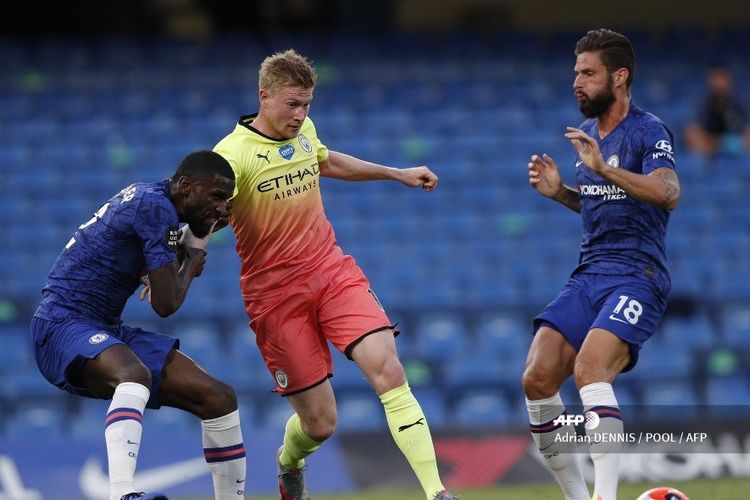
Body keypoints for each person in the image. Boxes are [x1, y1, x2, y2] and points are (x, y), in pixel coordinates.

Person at [213, 50, 457, 500]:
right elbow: (204, 215)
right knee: (321, 423)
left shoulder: (303, 130)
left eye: (307, 105)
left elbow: (323, 160)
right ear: (264, 97)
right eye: (292, 104)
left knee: (388, 368)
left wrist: (395, 172)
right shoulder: (231, 157)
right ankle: (289, 463)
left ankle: (436, 492)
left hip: (330, 272)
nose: (301, 115)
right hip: (275, 297)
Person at [31, 151, 246, 500]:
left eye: (227, 201)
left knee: (219, 398)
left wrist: (180, 257)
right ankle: (122, 495)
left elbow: (169, 259)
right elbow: (166, 304)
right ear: (186, 185)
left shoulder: (157, 207)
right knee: (134, 374)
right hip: (61, 324)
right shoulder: (155, 207)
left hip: (102, 326)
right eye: (218, 196)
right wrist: (189, 265)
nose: (224, 209)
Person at [522, 29, 681, 500]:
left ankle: (605, 497)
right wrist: (561, 195)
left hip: (638, 276)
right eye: (576, 73)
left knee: (590, 371)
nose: (577, 82)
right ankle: (577, 496)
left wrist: (605, 169)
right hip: (589, 274)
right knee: (536, 377)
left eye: (588, 74)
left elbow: (668, 194)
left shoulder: (649, 131)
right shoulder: (587, 136)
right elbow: (601, 202)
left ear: (619, 76)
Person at [684, 63, 750, 156]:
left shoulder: (739, 105)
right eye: (715, 79)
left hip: (737, 152)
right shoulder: (702, 107)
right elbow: (693, 137)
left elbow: (746, 135)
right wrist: (720, 143)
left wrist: (735, 144)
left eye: (723, 78)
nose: (719, 84)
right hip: (710, 155)